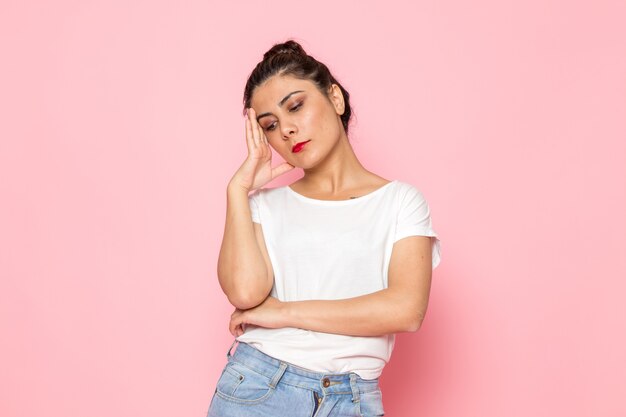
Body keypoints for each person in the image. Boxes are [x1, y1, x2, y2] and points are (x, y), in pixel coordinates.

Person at [207, 39, 441, 417]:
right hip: (258, 388)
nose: (287, 130)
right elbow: (246, 294)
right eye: (270, 125)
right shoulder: (264, 206)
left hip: (353, 398)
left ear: (335, 98)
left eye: (296, 106)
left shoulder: (400, 201)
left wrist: (283, 312)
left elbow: (406, 309)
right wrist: (238, 190)